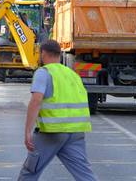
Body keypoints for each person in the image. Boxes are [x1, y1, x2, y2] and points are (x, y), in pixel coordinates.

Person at [18, 39, 96, 181]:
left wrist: (27, 131)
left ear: (43, 53)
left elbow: (36, 101)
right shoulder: (73, 75)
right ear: (59, 54)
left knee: (30, 171)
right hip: (76, 132)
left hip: (52, 132)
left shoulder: (44, 73)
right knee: (84, 175)